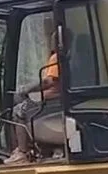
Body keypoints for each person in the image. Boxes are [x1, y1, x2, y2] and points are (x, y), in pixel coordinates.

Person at [5, 33, 65, 165]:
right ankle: (47, 147)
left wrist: (27, 89)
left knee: (19, 111)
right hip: (64, 99)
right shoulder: (76, 56)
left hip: (55, 100)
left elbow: (48, 82)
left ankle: (22, 152)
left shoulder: (58, 57)